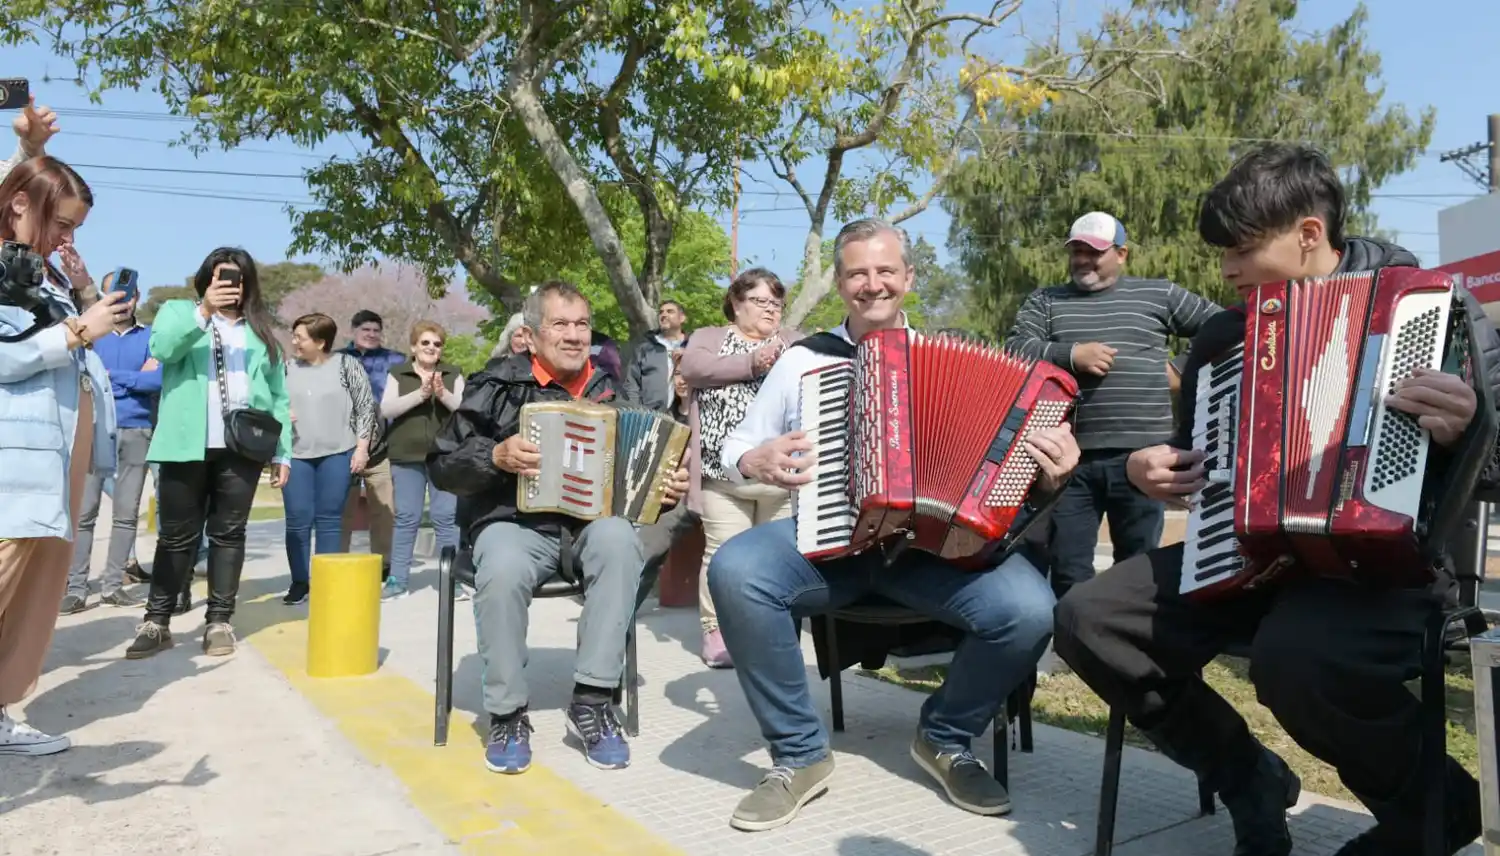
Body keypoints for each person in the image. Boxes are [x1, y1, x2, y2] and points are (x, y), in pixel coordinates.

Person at [1053, 143, 1500, 856]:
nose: (1226, 269)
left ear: (1309, 233)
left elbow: (1495, 462)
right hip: (1245, 555)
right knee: (1089, 618)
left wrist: (1470, 430)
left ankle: (1438, 810)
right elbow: (1191, 458)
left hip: (1383, 571)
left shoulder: (1432, 309)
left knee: (1294, 660)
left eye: (1242, 249)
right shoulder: (1225, 336)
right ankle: (1248, 777)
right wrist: (1146, 468)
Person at [705, 218, 1080, 832]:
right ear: (839, 282)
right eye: (858, 272)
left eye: (885, 271)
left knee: (1030, 609)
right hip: (828, 546)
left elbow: (1004, 486)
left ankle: (946, 735)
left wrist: (1050, 476)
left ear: (908, 278)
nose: (872, 283)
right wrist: (754, 460)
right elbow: (733, 445)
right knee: (735, 570)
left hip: (929, 554)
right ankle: (799, 754)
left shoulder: (949, 358)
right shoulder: (804, 359)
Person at [428, 280, 688, 776]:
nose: (574, 335)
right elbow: (441, 464)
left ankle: (592, 700)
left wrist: (661, 490)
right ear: (530, 335)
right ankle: (507, 714)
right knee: (502, 567)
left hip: (588, 527)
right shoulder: (495, 384)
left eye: (582, 324)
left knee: (621, 543)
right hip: (513, 523)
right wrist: (494, 456)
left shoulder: (610, 390)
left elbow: (636, 481)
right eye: (560, 324)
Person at [1005, 212, 1219, 599]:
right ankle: (1071, 635)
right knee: (1068, 567)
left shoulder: (1159, 294)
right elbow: (1015, 349)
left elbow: (1220, 327)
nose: (1083, 259)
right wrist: (1072, 354)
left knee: (1138, 565)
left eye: (1094, 252)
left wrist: (1180, 370)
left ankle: (1128, 633)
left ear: (1121, 254)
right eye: (1077, 251)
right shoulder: (1046, 301)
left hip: (1144, 458)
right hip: (1069, 461)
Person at [0, 155, 128, 755]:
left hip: (59, 450)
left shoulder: (41, 273)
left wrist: (81, 298)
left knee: (35, 593)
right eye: (61, 223)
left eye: (74, 228)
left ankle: (2, 710)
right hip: (16, 453)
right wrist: (78, 330)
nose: (66, 238)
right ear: (20, 202)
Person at [127, 247, 292, 660]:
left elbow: (278, 396)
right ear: (206, 279)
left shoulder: (260, 332)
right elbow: (163, 350)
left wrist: (283, 452)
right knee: (176, 537)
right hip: (185, 444)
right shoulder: (179, 312)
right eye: (221, 277)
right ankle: (157, 621)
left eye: (238, 278)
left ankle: (219, 620)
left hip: (242, 450)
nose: (230, 286)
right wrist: (204, 310)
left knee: (229, 535)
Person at [676, 270, 801, 667]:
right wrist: (751, 363)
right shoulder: (710, 338)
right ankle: (717, 632)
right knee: (723, 556)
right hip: (721, 480)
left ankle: (770, 634)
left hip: (781, 481)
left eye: (776, 303)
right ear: (736, 302)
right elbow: (693, 368)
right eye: (761, 301)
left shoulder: (793, 341)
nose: (770, 310)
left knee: (777, 560)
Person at [62, 267, 161, 613]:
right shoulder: (89, 335)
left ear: (137, 298)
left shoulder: (152, 337)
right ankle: (75, 588)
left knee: (126, 513)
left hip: (137, 430)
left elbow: (156, 382)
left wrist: (109, 378)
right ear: (103, 298)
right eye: (115, 295)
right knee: (84, 513)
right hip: (93, 428)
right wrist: (132, 379)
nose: (123, 301)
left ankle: (113, 586)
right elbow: (81, 377)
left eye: (129, 295)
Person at [282, 312, 377, 606]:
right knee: (297, 519)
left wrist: (362, 449)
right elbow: (270, 402)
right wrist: (280, 413)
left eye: (300, 337)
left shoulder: (347, 365)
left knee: (329, 520)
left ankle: (326, 583)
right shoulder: (285, 369)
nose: (294, 342)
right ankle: (300, 581)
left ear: (321, 342)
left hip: (338, 452)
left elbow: (365, 408)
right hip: (296, 455)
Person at [380, 320, 464, 600]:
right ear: (414, 347)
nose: (431, 348)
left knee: (446, 517)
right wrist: (421, 395)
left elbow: (463, 409)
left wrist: (441, 393)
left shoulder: (452, 374)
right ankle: (397, 580)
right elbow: (386, 409)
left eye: (437, 344)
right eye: (425, 342)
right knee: (406, 517)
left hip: (444, 456)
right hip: (406, 456)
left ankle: (452, 580)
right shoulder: (398, 373)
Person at [338, 309, 400, 577]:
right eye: (366, 330)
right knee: (342, 509)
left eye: (376, 330)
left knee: (384, 509)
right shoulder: (337, 359)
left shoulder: (395, 360)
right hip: (344, 444)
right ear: (353, 331)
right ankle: (336, 561)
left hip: (382, 446)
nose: (372, 334)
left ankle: (383, 564)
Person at [622, 300, 689, 411]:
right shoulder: (645, 347)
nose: (664, 315)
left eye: (670, 311)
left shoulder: (694, 345)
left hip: (686, 413)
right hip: (650, 413)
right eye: (661, 312)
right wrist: (636, 410)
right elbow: (631, 383)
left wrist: (690, 355)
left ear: (682, 318)